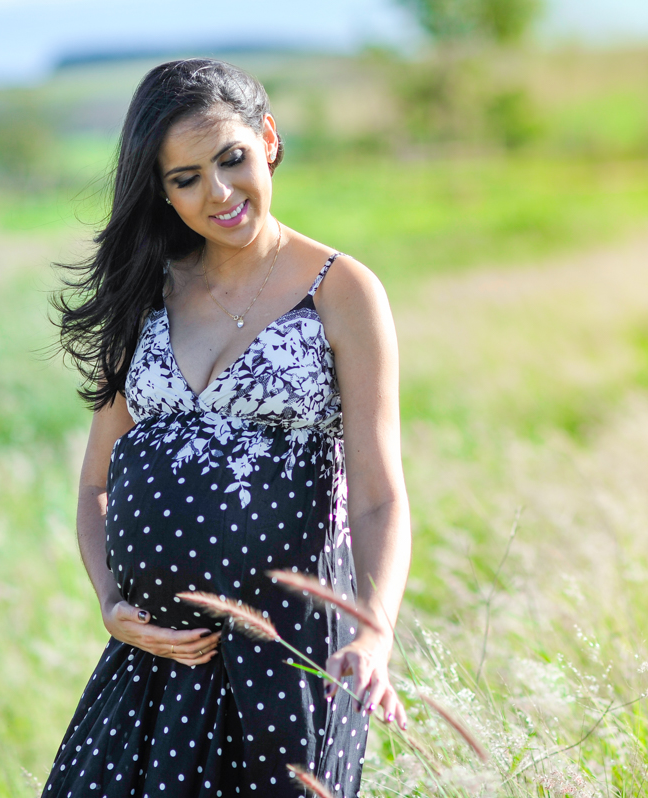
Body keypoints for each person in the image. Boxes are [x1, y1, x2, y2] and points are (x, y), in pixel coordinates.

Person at [44, 58, 412, 798]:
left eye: (231, 160)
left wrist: (373, 631)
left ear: (268, 140)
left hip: (292, 656)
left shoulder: (342, 291)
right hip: (157, 659)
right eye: (185, 178)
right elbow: (95, 484)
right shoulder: (143, 294)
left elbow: (379, 495)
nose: (218, 194)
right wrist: (112, 603)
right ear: (161, 189)